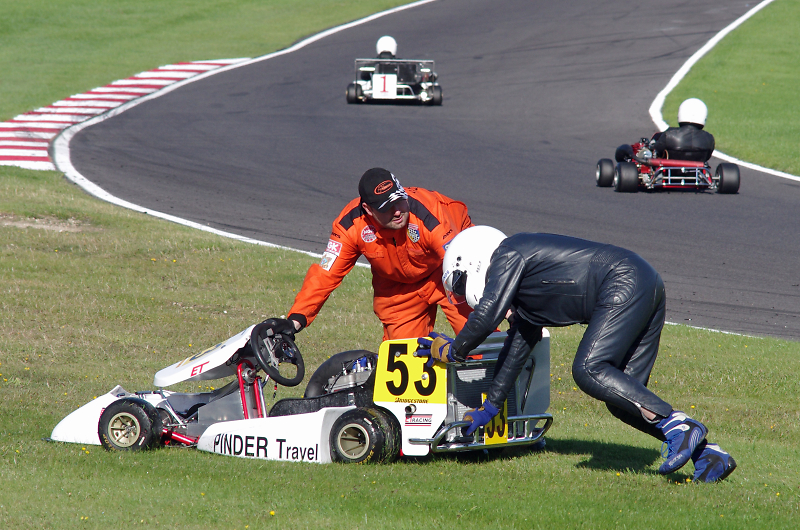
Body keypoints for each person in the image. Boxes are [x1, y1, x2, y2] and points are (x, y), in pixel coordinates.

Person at [417, 226, 736, 483]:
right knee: (622, 400)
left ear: (471, 261)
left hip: (624, 281)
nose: (460, 295)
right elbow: (517, 348)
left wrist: (452, 349)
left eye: (458, 285)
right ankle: (709, 455)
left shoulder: (507, 253)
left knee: (588, 369)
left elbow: (486, 315)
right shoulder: (525, 292)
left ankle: (679, 426)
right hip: (641, 279)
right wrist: (490, 407)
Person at [287, 167, 473, 341]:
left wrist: (497, 305)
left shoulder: (430, 215)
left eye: (399, 200)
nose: (398, 211)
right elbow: (326, 274)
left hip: (448, 271)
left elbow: (467, 265)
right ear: (368, 209)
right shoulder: (350, 224)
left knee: (479, 340)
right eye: (387, 208)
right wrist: (296, 320)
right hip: (398, 285)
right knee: (403, 359)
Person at [652, 98, 716, 162]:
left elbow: (656, 151)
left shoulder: (668, 135)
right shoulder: (709, 139)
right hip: (696, 171)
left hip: (671, 171)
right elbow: (707, 157)